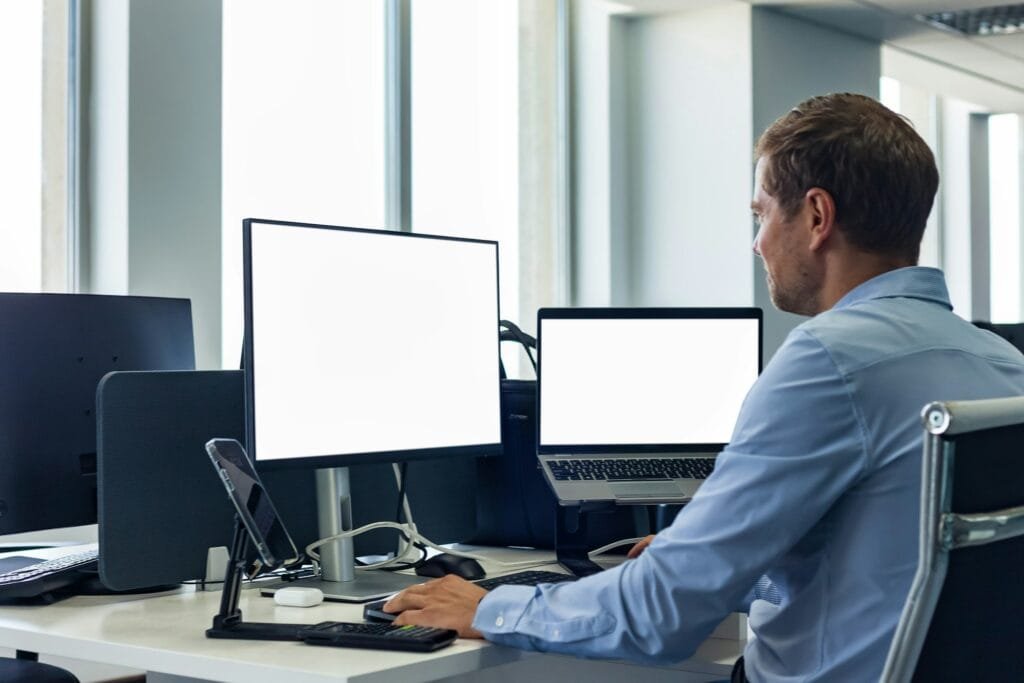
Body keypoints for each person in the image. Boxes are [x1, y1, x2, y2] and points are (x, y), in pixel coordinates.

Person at [383, 93, 1024, 681]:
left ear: (817, 215)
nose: (757, 243)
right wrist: (722, 558)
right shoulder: (1002, 363)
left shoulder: (829, 360)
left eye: (762, 214)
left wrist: (492, 606)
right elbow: (894, 573)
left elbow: (660, 616)